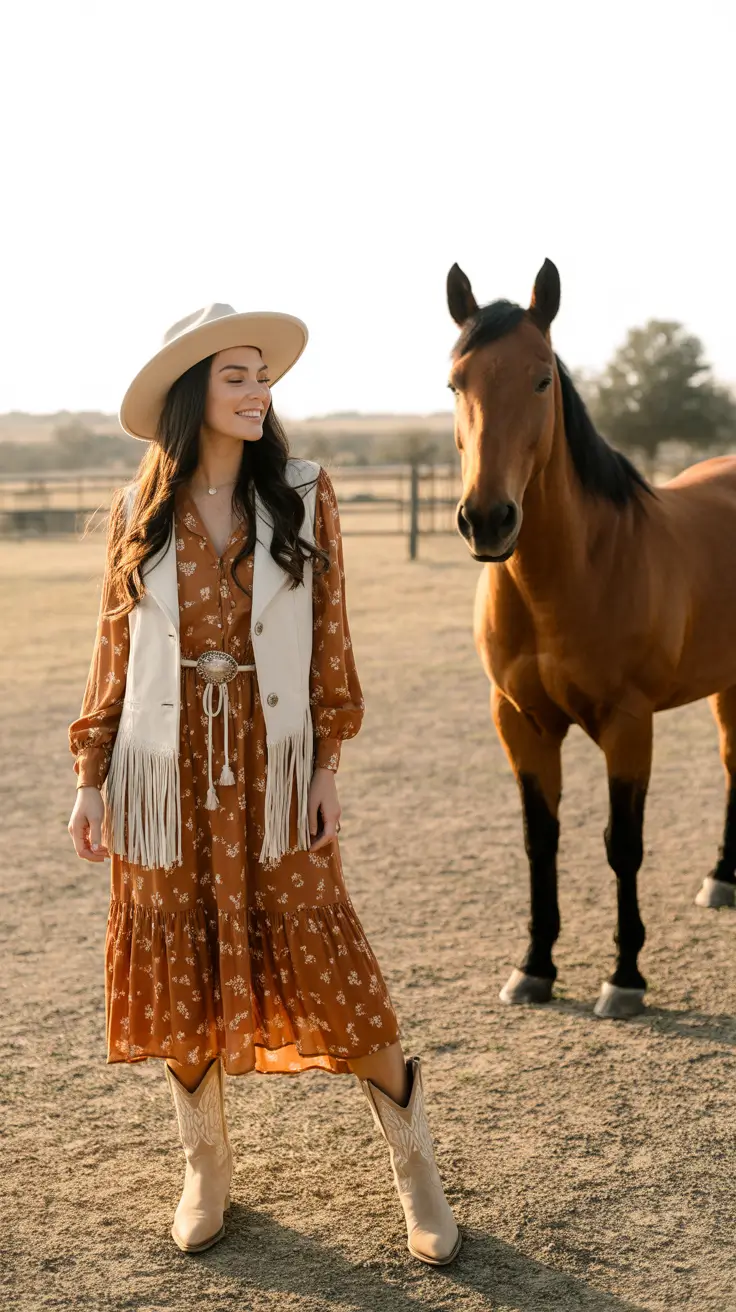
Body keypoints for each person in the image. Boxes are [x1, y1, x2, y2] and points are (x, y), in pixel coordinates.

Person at [67, 303, 460, 1265]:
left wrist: (329, 765)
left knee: (330, 957)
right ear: (190, 390)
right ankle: (206, 1167)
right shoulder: (136, 511)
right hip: (161, 778)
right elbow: (114, 653)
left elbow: (332, 637)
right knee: (178, 961)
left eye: (262, 376)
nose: (258, 391)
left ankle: (417, 1174)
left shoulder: (302, 491)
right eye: (236, 375)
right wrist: (90, 777)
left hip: (274, 767)